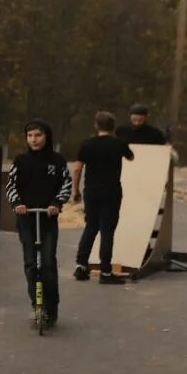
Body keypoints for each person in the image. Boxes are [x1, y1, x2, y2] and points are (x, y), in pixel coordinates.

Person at [5, 119, 73, 326]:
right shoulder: (21, 161)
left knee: (47, 264)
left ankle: (51, 307)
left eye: (38, 135)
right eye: (30, 136)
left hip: (47, 219)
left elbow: (66, 185)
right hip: (26, 219)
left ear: (47, 137)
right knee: (31, 264)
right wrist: (17, 202)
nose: (34, 140)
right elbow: (11, 185)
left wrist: (56, 203)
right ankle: (37, 305)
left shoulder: (58, 161)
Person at [71, 111, 134, 285]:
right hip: (111, 191)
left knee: (90, 226)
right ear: (113, 127)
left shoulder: (87, 144)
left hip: (91, 191)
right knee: (107, 230)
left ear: (95, 126)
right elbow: (131, 157)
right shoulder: (119, 143)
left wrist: (75, 190)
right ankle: (105, 272)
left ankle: (81, 267)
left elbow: (76, 169)